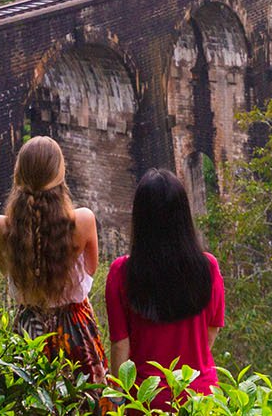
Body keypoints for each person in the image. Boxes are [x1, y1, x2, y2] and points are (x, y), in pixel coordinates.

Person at [0, 136, 108, 385]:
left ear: (18, 174)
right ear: (60, 174)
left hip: (28, 331)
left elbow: (6, 271)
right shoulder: (83, 221)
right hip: (76, 331)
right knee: (84, 404)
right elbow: (91, 269)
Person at [105, 169, 225, 410]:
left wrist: (117, 397)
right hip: (200, 397)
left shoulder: (122, 272)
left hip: (146, 399)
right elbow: (211, 331)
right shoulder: (208, 267)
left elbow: (121, 345)